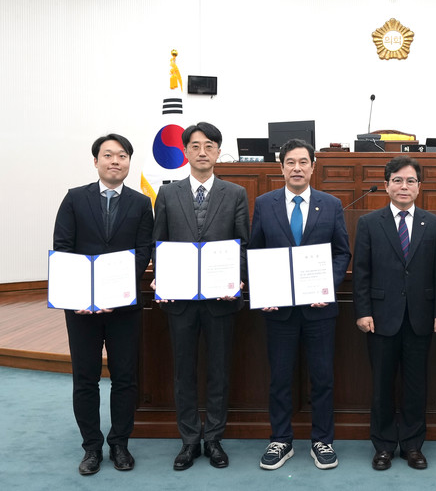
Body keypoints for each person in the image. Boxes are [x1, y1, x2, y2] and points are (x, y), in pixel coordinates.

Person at [53, 134, 154, 475]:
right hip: (81, 308)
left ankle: (120, 444)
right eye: (108, 155)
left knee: (125, 377)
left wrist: (115, 290)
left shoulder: (141, 203)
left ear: (129, 162)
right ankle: (92, 447)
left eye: (122, 155)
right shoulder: (74, 198)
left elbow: (143, 251)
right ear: (95, 161)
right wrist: (81, 294)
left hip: (123, 307)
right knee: (86, 378)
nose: (115, 161)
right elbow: (63, 247)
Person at [152, 122, 249, 471]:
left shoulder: (235, 193)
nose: (202, 152)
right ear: (185, 152)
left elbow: (243, 244)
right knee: (184, 372)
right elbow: (159, 242)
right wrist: (161, 277)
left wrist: (237, 278)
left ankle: (214, 438)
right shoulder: (167, 194)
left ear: (218, 152)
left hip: (220, 300)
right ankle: (190, 439)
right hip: (180, 301)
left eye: (209, 145)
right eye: (195, 146)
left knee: (219, 371)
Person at [249, 138, 351, 470]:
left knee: (322, 378)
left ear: (313, 167)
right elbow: (256, 251)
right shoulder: (264, 204)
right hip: (278, 310)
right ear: (281, 168)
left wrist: (327, 287)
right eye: (290, 162)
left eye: (303, 162)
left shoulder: (331, 204)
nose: (297, 168)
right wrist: (262, 290)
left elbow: (342, 253)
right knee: (279, 378)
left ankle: (323, 441)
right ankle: (281, 440)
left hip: (319, 310)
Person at [352, 156, 436, 471]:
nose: (403, 186)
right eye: (397, 180)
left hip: (421, 317)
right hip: (380, 318)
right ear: (386, 185)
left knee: (416, 385)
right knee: (381, 385)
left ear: (419, 187)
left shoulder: (433, 224)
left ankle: (412, 445)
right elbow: (361, 272)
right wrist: (362, 311)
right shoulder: (369, 223)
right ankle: (382, 446)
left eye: (410, 181)